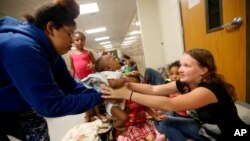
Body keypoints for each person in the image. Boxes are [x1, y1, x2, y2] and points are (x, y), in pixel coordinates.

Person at [0, 0, 102, 140]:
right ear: (50, 27)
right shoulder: (22, 48)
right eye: (69, 33)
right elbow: (51, 105)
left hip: (12, 104)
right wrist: (99, 97)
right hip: (6, 105)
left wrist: (99, 93)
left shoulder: (51, 53)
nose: (72, 40)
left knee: (37, 130)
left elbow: (70, 86)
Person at [101, 48, 250, 140]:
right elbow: (154, 89)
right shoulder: (186, 83)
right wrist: (126, 84)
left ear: (203, 70)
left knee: (167, 115)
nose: (180, 70)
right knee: (163, 122)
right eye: (181, 65)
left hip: (234, 133)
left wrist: (128, 94)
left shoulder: (209, 90)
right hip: (205, 129)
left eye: (186, 65)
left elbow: (170, 104)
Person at [69, 30, 106, 122]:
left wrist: (92, 66)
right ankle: (88, 116)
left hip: (90, 78)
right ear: (73, 41)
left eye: (82, 40)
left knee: (93, 95)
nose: (80, 42)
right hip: (79, 79)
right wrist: (71, 80)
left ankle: (98, 114)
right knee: (84, 97)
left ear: (85, 41)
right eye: (77, 40)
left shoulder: (88, 52)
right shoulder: (71, 54)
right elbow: (72, 68)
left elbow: (96, 65)